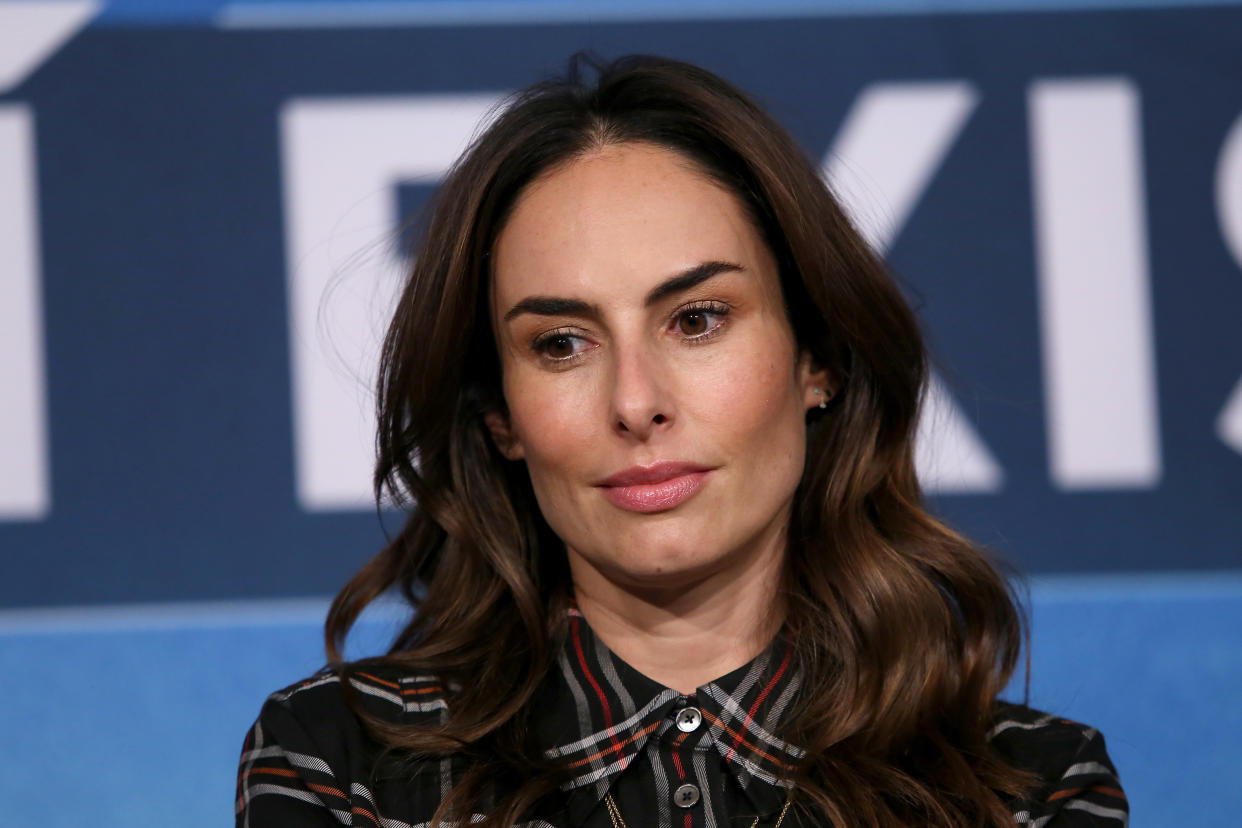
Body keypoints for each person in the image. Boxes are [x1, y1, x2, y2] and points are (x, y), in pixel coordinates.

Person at [235, 55, 1127, 828]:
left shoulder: (1027, 790)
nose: (635, 402)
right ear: (498, 416)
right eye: (560, 343)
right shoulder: (344, 767)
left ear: (817, 361)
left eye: (697, 319)